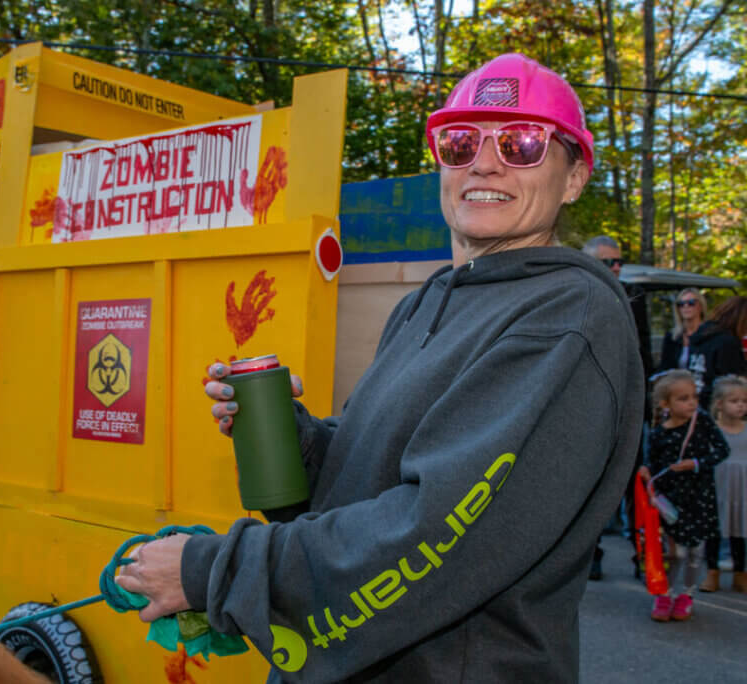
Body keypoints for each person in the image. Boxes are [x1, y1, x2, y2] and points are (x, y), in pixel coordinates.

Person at [116, 53, 644, 683]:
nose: (484, 161)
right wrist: (298, 440)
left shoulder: (569, 316)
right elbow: (381, 473)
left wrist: (212, 570)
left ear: (574, 175)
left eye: (522, 143)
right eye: (460, 141)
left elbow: (438, 533)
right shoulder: (427, 301)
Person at [582, 235, 654, 581]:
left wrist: (647, 407)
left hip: (628, 407)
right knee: (590, 486)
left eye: (618, 262)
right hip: (588, 410)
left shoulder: (632, 298)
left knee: (634, 483)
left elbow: (643, 356)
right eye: (607, 262)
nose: (616, 268)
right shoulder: (575, 294)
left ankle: (644, 555)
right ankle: (589, 556)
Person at [641, 370, 729, 621]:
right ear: (665, 404)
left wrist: (697, 463)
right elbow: (652, 462)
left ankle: (687, 594)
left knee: (695, 551)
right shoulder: (658, 433)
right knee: (675, 552)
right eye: (683, 398)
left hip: (699, 497)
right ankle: (664, 593)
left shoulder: (702, 422)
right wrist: (646, 471)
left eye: (694, 397)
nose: (691, 402)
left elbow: (722, 450)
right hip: (671, 500)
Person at [659, 290, 744, 409]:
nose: (686, 306)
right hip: (693, 397)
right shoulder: (673, 337)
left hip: (700, 396)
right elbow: (665, 368)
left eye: (691, 302)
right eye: (681, 304)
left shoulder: (706, 335)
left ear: (701, 306)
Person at [701, 375, 747, 593]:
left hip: (742, 490)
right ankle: (712, 572)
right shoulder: (712, 430)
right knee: (715, 530)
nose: (741, 405)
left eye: (744, 401)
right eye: (734, 401)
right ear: (719, 403)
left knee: (739, 530)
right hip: (719, 487)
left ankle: (740, 572)